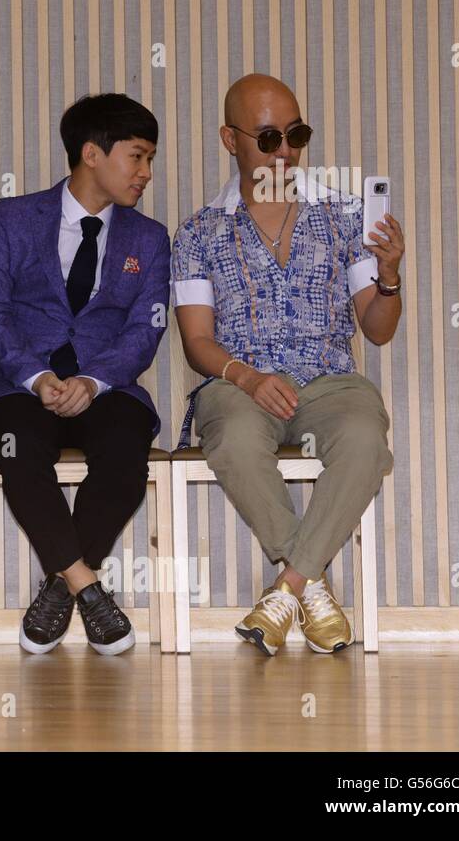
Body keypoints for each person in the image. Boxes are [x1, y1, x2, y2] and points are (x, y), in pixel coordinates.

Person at [171, 73, 404, 656]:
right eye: (269, 136)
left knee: (364, 437)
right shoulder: (198, 232)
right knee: (233, 440)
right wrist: (246, 377)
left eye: (296, 135)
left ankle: (286, 589)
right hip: (239, 382)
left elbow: (377, 330)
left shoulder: (344, 216)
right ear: (230, 139)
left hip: (329, 379)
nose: (285, 152)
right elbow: (196, 341)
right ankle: (314, 589)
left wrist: (390, 275)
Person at [0, 93, 170, 656]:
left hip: (108, 388)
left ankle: (60, 588)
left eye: (150, 159)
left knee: (126, 455)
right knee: (16, 450)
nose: (146, 173)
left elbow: (146, 328)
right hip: (20, 385)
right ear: (91, 153)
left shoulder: (149, 238)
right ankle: (87, 588)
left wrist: (94, 381)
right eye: (137, 157)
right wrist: (36, 376)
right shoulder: (11, 219)